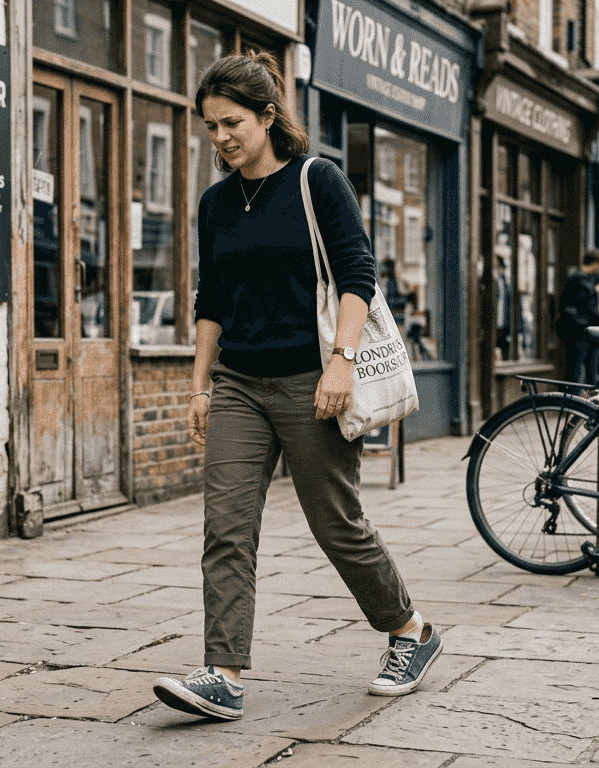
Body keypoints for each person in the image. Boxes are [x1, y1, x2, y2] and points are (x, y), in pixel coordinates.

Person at [152, 52, 440, 723]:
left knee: (336, 524)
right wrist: (198, 387)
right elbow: (212, 298)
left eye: (232, 123)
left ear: (267, 117)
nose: (221, 137)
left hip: (312, 383)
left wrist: (341, 361)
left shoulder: (317, 180)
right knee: (225, 529)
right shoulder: (216, 202)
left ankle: (410, 630)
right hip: (239, 386)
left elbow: (356, 277)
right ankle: (222, 673)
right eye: (211, 127)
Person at [557, 250, 599, 384]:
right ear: (595, 264)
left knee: (578, 368)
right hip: (579, 331)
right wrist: (595, 291)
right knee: (576, 370)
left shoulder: (578, 277)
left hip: (577, 330)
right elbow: (586, 305)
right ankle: (573, 400)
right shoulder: (579, 278)